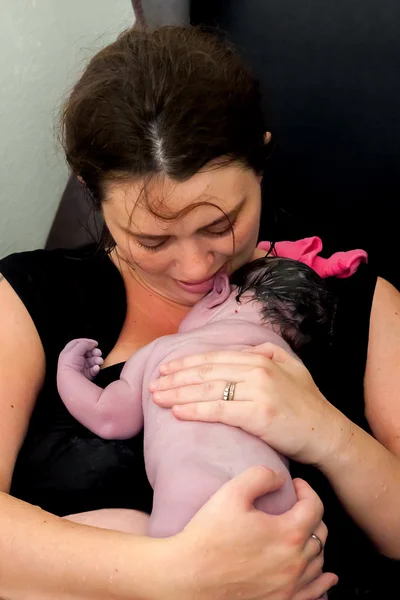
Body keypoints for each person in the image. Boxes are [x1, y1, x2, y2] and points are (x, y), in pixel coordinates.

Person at [0, 24, 398, 600]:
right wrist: (181, 575)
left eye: (220, 225)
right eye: (153, 240)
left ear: (260, 161)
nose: (194, 267)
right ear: (93, 194)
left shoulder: (354, 302)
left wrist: (326, 433)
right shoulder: (30, 296)